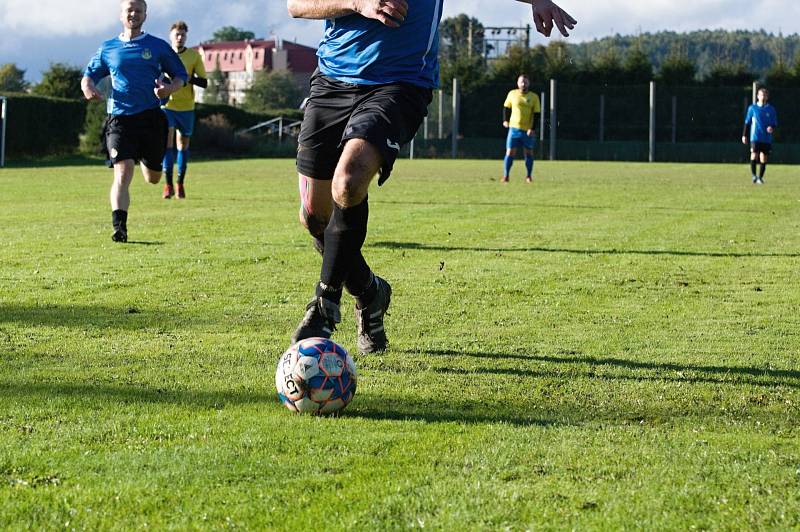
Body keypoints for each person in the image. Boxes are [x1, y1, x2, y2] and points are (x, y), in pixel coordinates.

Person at [287, 0, 576, 353]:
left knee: (348, 180)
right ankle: (370, 293)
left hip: (399, 84)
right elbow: (296, 5)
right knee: (314, 217)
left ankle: (324, 303)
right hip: (331, 81)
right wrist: (357, 3)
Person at [81, 0, 187, 242]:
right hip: (119, 119)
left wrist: (168, 89)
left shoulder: (157, 46)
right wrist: (88, 87)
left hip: (151, 118)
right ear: (121, 14)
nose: (133, 14)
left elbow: (181, 76)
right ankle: (120, 228)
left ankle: (144, 159)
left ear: (145, 15)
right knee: (122, 171)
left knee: (153, 178)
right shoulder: (108, 48)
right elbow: (89, 75)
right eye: (129, 9)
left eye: (138, 10)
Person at [161, 20, 207, 199]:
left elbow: (204, 82)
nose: (180, 37)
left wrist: (189, 78)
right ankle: (167, 185)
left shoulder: (194, 56)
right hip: (167, 106)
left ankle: (180, 183)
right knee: (168, 143)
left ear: (186, 37)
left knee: (183, 145)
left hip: (187, 107)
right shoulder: (163, 54)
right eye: (176, 34)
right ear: (170, 36)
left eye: (183, 35)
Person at [502, 74, 540, 183]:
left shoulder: (534, 97)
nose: (523, 84)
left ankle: (528, 176)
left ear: (529, 83)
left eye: (525, 82)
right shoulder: (512, 94)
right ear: (518, 83)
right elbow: (506, 107)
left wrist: (532, 128)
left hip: (527, 130)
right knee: (510, 152)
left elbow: (537, 114)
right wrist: (505, 120)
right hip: (513, 129)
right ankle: (506, 176)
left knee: (528, 153)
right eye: (521, 82)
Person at [742, 87, 777, 185]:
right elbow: (747, 122)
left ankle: (760, 178)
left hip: (766, 138)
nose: (763, 97)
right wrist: (744, 135)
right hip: (755, 137)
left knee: (763, 157)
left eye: (764, 95)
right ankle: (754, 176)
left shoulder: (771, 109)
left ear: (767, 97)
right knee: (754, 154)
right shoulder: (752, 108)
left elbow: (774, 123)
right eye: (761, 95)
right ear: (757, 96)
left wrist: (771, 127)